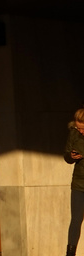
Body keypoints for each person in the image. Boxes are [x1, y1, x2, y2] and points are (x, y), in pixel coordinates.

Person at [67, 108, 84, 256]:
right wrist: (71, 156)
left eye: (83, 128)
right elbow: (66, 156)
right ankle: (70, 253)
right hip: (78, 184)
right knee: (76, 220)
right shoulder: (74, 133)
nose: (80, 131)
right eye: (78, 128)